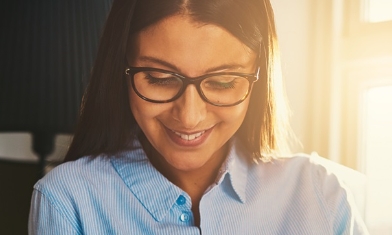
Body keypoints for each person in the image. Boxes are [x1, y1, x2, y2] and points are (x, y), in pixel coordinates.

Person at [28, 0, 369, 234]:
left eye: (222, 82)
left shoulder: (321, 196)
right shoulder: (67, 200)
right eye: (159, 79)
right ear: (121, 70)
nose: (189, 117)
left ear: (259, 76)